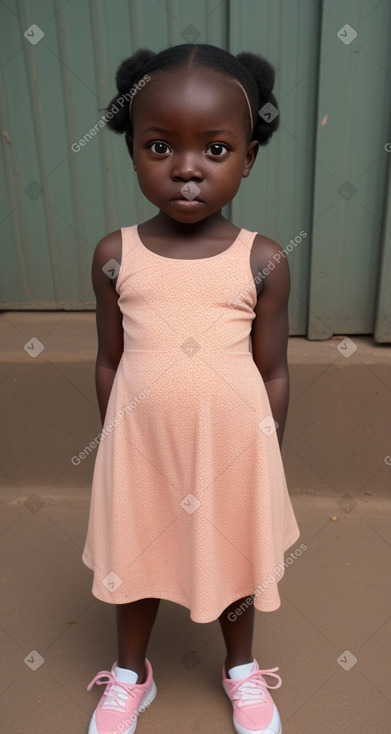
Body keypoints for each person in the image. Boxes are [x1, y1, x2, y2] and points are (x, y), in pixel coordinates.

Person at [82, 42, 300, 734]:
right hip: (141, 451)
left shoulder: (262, 260)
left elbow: (271, 369)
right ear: (132, 152)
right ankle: (129, 675)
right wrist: (118, 445)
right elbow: (110, 361)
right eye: (158, 146)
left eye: (213, 148)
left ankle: (239, 670)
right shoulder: (116, 257)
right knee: (135, 561)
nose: (185, 168)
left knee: (233, 560)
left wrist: (265, 455)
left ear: (248, 156)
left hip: (233, 453)